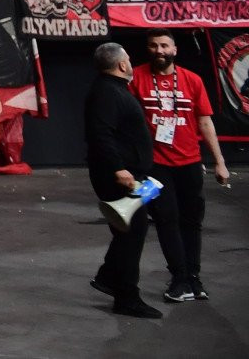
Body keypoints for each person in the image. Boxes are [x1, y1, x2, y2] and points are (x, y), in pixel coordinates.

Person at [128, 31, 230, 302]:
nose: (158, 50)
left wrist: (219, 162)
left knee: (192, 221)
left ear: (175, 49)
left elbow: (205, 122)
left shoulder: (192, 80)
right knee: (165, 220)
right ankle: (179, 278)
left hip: (190, 163)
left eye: (164, 45)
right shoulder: (135, 78)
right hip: (153, 166)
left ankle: (194, 278)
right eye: (153, 45)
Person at [84, 41, 167, 318]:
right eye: (129, 59)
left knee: (129, 231)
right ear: (121, 64)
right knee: (133, 233)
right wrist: (119, 169)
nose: (131, 63)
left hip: (132, 175)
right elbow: (101, 135)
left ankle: (108, 276)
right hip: (120, 177)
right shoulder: (106, 92)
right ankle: (127, 298)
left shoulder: (113, 89)